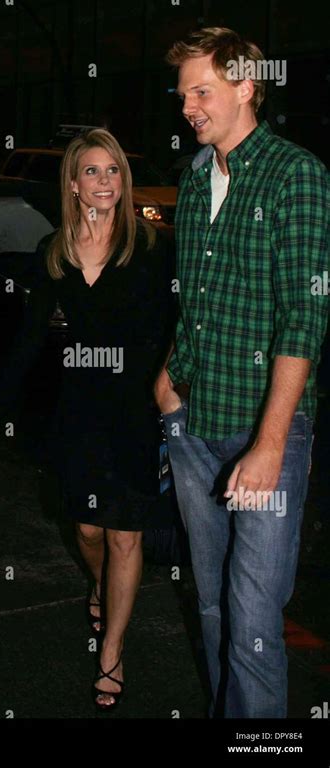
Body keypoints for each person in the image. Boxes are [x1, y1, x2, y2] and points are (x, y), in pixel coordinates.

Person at [155, 26, 329, 718]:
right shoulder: (197, 180)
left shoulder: (297, 174)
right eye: (184, 94)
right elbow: (194, 298)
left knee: (253, 619)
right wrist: (168, 379)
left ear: (246, 85)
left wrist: (269, 444)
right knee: (211, 603)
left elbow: (306, 318)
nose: (189, 106)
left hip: (266, 434)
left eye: (202, 90)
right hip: (193, 424)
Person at [0, 128, 175, 710]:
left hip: (134, 411)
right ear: (73, 183)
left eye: (113, 170)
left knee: (126, 535)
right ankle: (98, 586)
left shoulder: (152, 247)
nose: (105, 181)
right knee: (88, 530)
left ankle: (111, 650)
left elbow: (174, 328)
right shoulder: (53, 253)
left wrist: (172, 383)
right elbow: (31, 339)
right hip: (79, 410)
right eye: (92, 171)